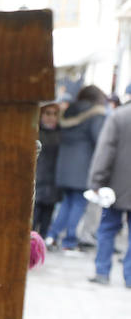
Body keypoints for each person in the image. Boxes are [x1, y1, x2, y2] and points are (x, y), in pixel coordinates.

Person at [45, 85, 107, 252]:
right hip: (83, 166)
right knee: (79, 203)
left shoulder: (69, 110)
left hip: (64, 165)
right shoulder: (96, 114)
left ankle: (53, 235)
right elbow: (100, 142)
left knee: (67, 202)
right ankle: (70, 240)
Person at [87, 102, 131, 287]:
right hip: (117, 186)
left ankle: (102, 272)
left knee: (107, 228)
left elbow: (106, 150)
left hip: (115, 187)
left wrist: (97, 180)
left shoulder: (119, 116)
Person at [33, 101, 61, 238]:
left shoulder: (62, 134)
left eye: (55, 114)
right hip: (37, 181)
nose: (51, 117)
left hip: (53, 182)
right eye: (48, 113)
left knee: (46, 222)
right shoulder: (35, 133)